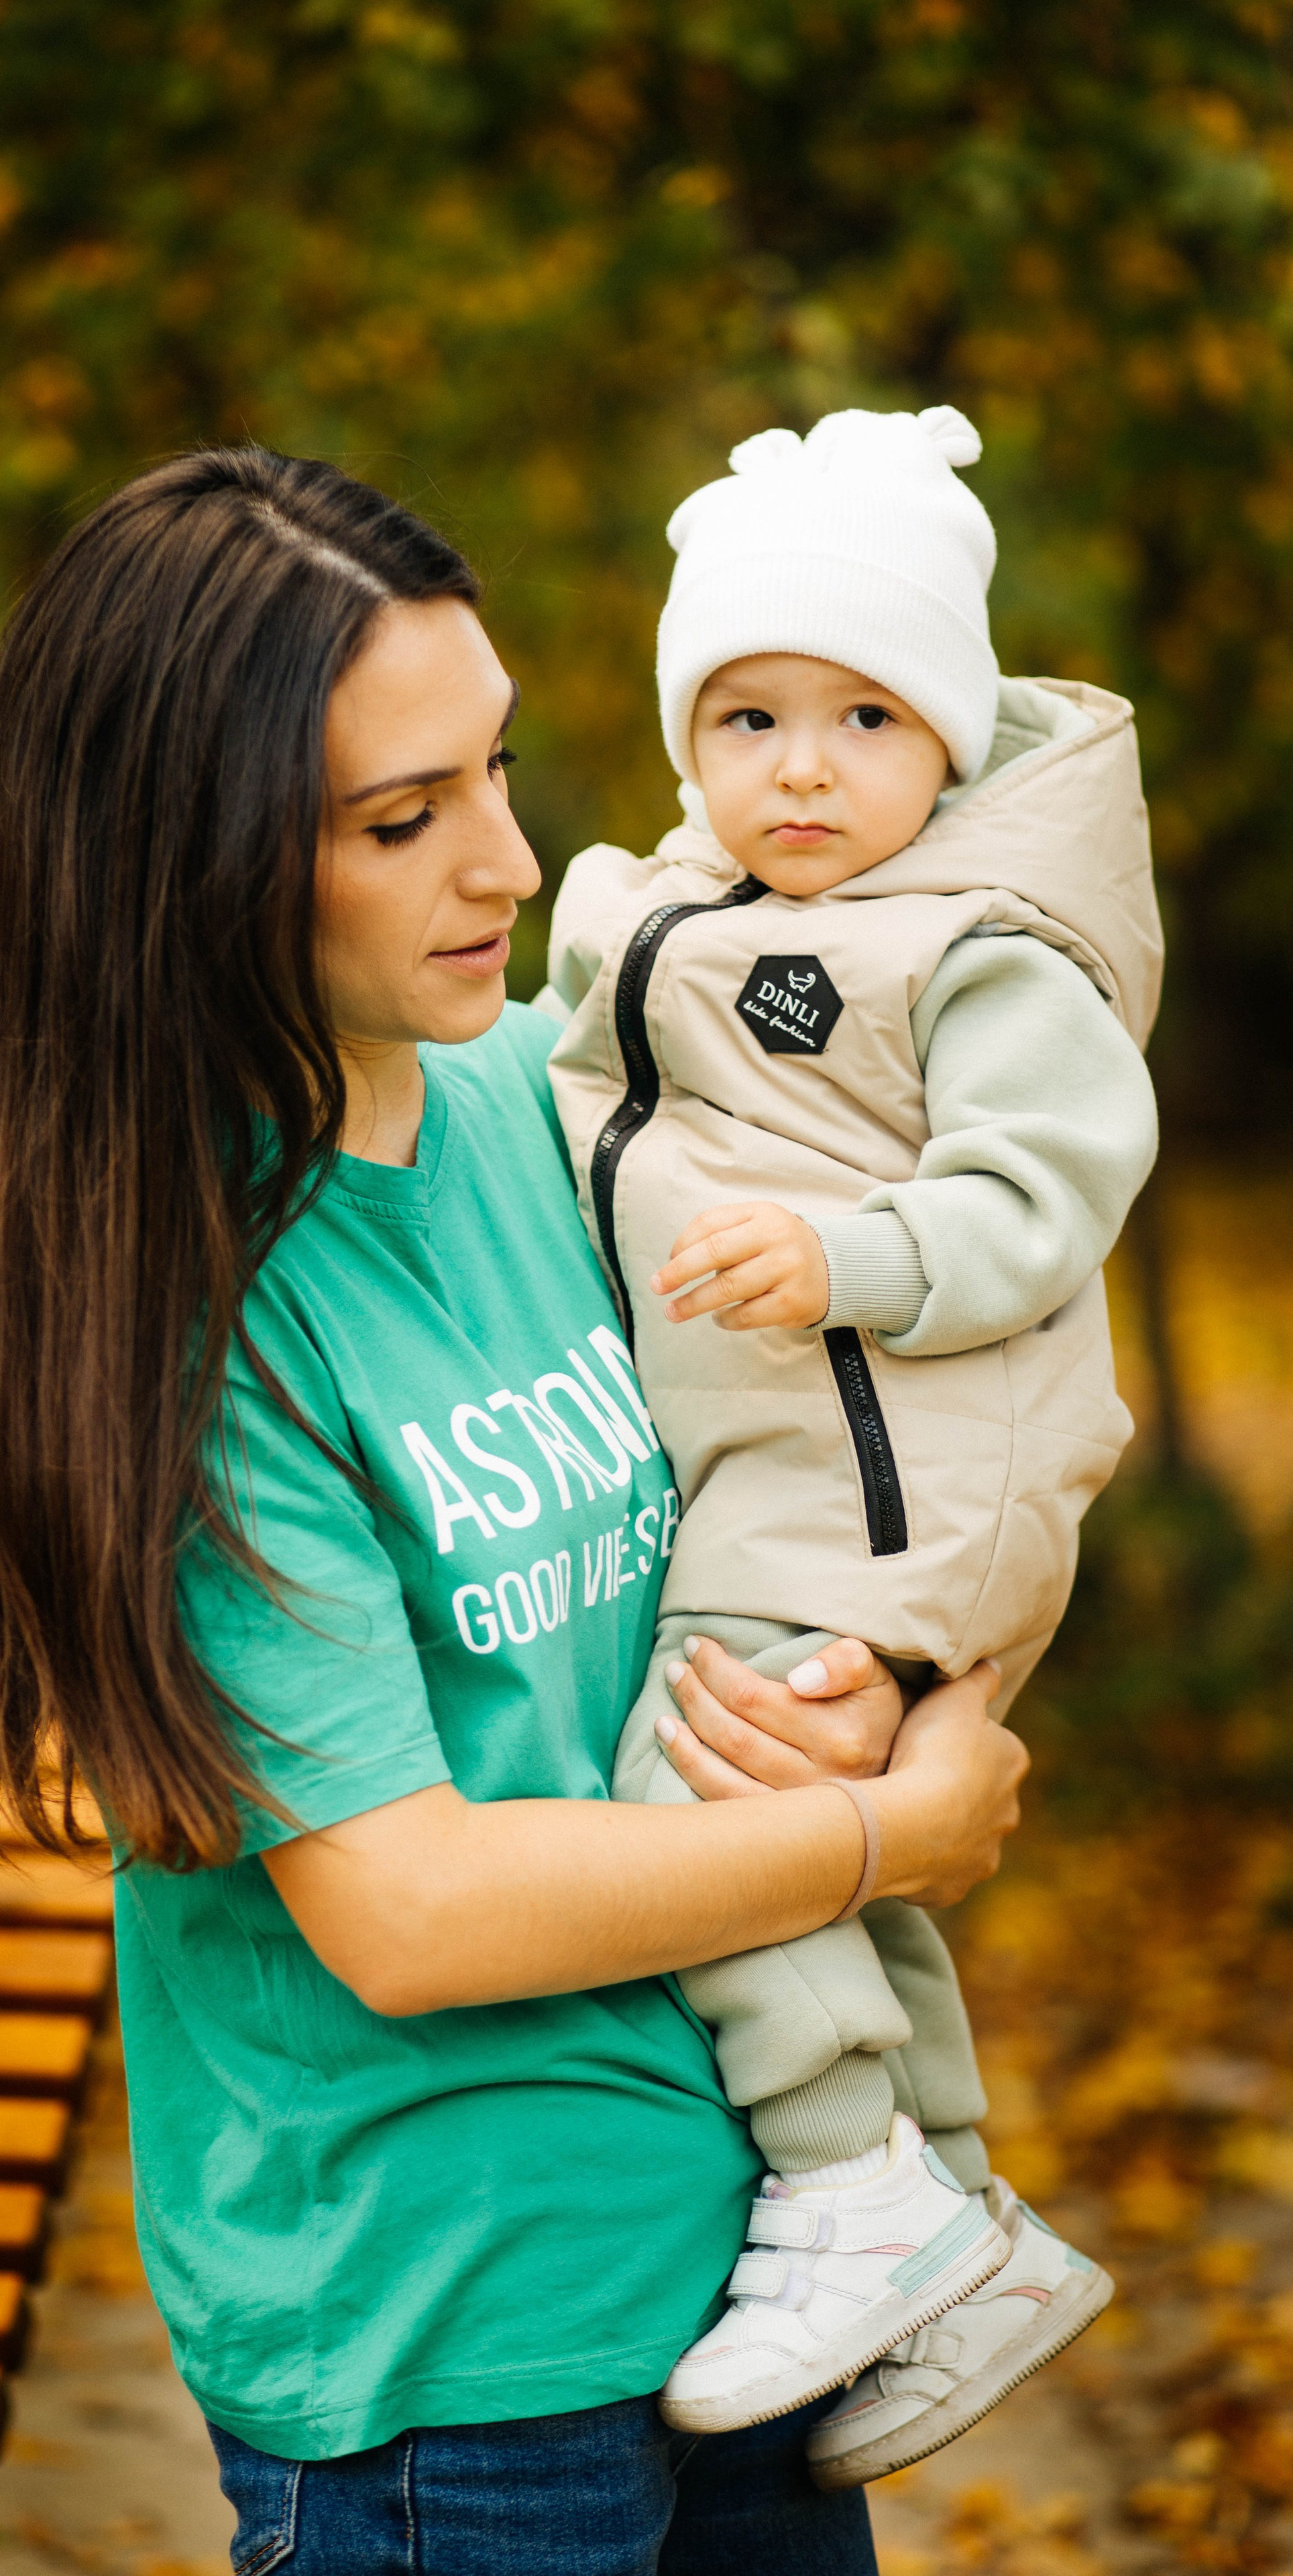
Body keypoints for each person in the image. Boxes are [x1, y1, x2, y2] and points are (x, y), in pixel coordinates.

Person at [0, 445, 1026, 2573]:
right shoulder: (172, 1318)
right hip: (454, 2368)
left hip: (761, 2258)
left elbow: (888, 1430)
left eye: (501, 767)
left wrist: (916, 1705)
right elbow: (409, 1912)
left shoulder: (548, 1096)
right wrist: (882, 1840)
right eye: (405, 821)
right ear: (182, 867)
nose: (505, 857)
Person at [541, 405, 1160, 2480]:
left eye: (864, 715)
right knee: (828, 1841)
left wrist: (845, 1253)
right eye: (746, 714)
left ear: (955, 736)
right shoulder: (679, 913)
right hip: (800, 1454)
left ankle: (843, 2193)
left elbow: (1048, 1192)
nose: (801, 768)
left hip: (909, 1451)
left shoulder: (971, 947)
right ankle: (954, 2215)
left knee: (702, 1779)